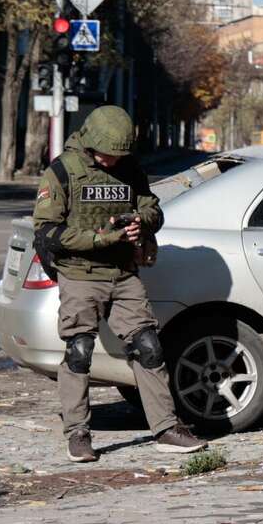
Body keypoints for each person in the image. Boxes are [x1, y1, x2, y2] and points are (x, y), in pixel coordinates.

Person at [32, 105, 207, 463]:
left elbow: (153, 209)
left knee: (148, 347)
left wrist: (139, 222)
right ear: (92, 143)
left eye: (118, 155)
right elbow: (47, 231)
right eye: (107, 155)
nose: (113, 162)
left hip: (124, 274)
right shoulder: (63, 171)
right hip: (81, 275)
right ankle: (78, 434)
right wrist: (98, 239)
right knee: (79, 351)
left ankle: (165, 428)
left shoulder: (129, 168)